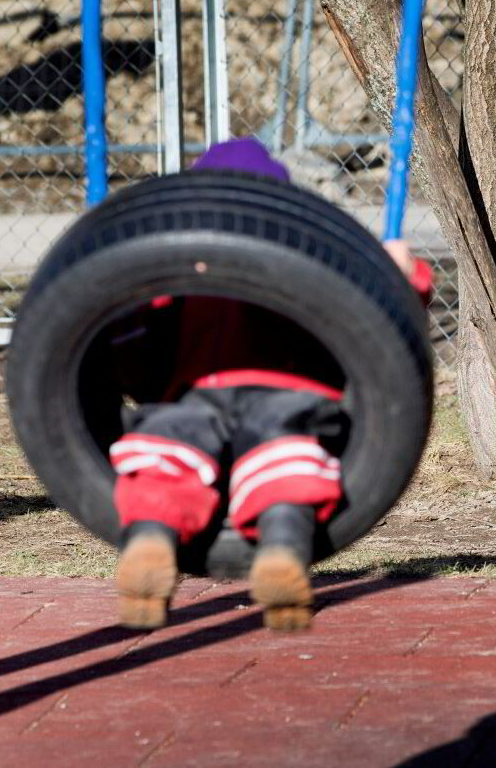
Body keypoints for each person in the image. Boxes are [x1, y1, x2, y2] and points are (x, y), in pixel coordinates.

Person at [107, 138, 433, 631]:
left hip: (197, 395)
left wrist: (108, 286)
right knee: (286, 466)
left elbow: (130, 336)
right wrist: (406, 274)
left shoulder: (176, 271)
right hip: (285, 397)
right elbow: (375, 308)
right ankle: (282, 550)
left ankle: (152, 539)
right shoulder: (310, 264)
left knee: (166, 455)